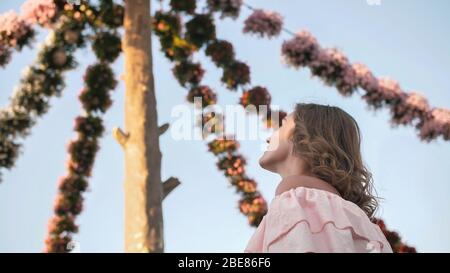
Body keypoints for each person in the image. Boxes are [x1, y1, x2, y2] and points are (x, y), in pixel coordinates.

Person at [244, 103, 393, 253]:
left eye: (281, 125)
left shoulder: (296, 203)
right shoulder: (364, 225)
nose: (269, 138)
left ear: (301, 134)